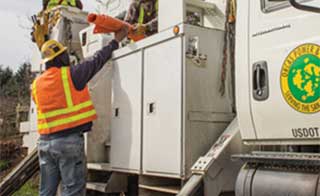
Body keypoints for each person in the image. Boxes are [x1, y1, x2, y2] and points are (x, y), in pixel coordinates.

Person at [31, 27, 128, 196]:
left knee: (46, 192)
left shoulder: (36, 84)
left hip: (45, 143)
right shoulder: (71, 75)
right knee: (72, 191)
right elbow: (96, 61)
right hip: (68, 143)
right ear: (61, 57)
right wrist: (115, 42)